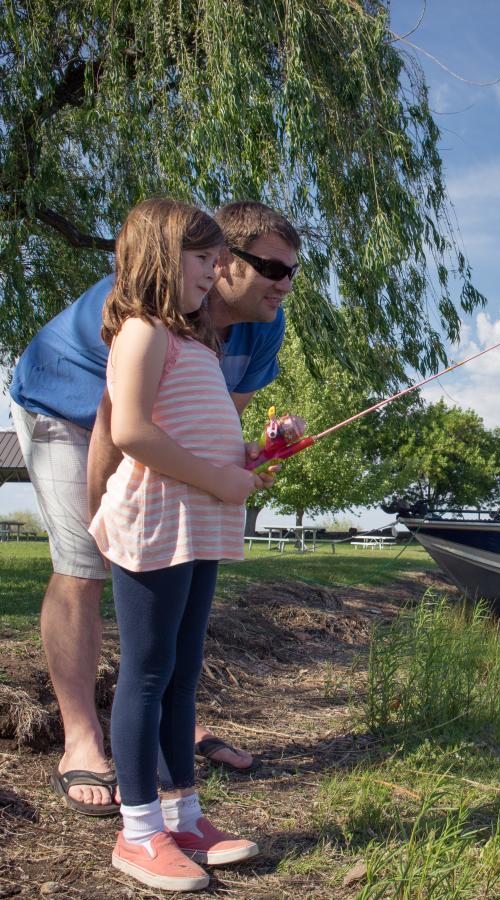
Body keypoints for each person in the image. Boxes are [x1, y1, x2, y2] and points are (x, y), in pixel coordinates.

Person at [10, 200, 301, 814]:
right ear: (222, 262)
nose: (285, 284)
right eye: (272, 268)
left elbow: (213, 429)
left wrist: (248, 460)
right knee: (83, 563)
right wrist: (105, 523)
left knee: (171, 637)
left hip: (152, 435)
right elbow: (113, 430)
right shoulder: (140, 313)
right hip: (67, 407)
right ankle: (83, 737)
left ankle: (171, 721)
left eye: (293, 271)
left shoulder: (260, 325)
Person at [89, 198, 267, 890]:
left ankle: (185, 816)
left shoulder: (194, 341)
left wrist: (243, 456)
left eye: (218, 256)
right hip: (157, 518)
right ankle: (138, 834)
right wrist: (219, 479)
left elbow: (188, 428)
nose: (217, 269)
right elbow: (131, 431)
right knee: (148, 672)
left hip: (194, 520)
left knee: (184, 670)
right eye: (204, 258)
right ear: (163, 257)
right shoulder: (141, 332)